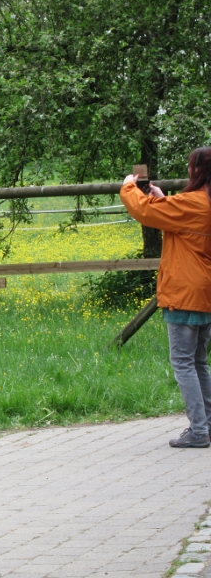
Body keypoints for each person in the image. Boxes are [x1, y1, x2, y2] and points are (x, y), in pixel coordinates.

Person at [120, 147, 211, 448]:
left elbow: (144, 211)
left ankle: (199, 430)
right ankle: (207, 425)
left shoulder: (192, 203)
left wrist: (129, 187)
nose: (187, 169)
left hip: (184, 292)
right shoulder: (201, 203)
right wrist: (162, 198)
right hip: (205, 292)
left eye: (190, 165)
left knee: (183, 363)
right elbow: (178, 218)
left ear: (198, 170)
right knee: (199, 362)